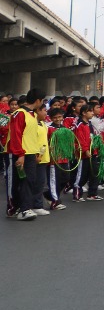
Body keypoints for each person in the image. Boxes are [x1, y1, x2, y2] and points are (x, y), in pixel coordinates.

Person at [7, 90, 47, 220]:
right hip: (21, 154)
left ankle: (23, 208)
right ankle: (22, 209)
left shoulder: (32, 115)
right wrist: (20, 155)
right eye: (42, 101)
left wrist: (36, 153)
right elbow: (16, 135)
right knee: (21, 181)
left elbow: (32, 137)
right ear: (38, 100)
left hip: (30, 154)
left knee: (28, 181)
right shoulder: (19, 113)